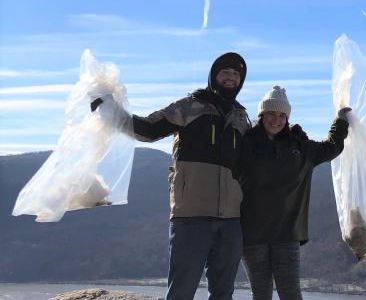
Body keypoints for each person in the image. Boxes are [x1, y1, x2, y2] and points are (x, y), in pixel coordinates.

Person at [92, 52, 251, 300]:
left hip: (231, 219)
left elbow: (251, 163)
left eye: (236, 74)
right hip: (191, 217)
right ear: (213, 76)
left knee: (223, 293)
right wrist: (110, 111)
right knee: (181, 291)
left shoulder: (241, 117)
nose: (231, 78)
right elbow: (148, 129)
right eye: (225, 72)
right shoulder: (190, 107)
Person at [239, 85, 350, 300]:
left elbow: (332, 147)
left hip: (287, 234)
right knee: (260, 294)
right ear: (262, 115)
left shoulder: (300, 147)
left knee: (290, 293)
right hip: (252, 235)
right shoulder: (246, 144)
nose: (277, 120)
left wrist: (341, 121)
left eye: (282, 115)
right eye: (271, 113)